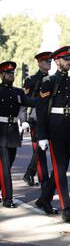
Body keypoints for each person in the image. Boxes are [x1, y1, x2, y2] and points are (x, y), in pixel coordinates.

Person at [36, 46, 70, 221]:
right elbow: (41, 111)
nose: (68, 62)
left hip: (68, 128)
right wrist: (42, 135)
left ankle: (43, 199)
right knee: (60, 169)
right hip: (54, 129)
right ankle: (67, 208)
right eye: (65, 59)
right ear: (57, 62)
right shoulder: (49, 82)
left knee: (61, 167)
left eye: (69, 59)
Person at [0, 61, 36, 208]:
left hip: (13, 131)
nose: (11, 75)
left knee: (8, 165)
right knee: (5, 165)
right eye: (8, 73)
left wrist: (45, 99)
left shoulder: (18, 92)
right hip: (0, 131)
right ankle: (8, 198)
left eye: (12, 73)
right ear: (2, 75)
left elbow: (31, 101)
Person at [21, 52, 52, 190]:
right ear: (39, 63)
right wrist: (24, 120)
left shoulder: (52, 79)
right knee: (40, 148)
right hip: (35, 118)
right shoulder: (31, 80)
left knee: (41, 149)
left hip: (50, 118)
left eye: (50, 61)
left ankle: (29, 173)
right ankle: (43, 179)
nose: (49, 63)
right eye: (46, 61)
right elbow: (22, 101)